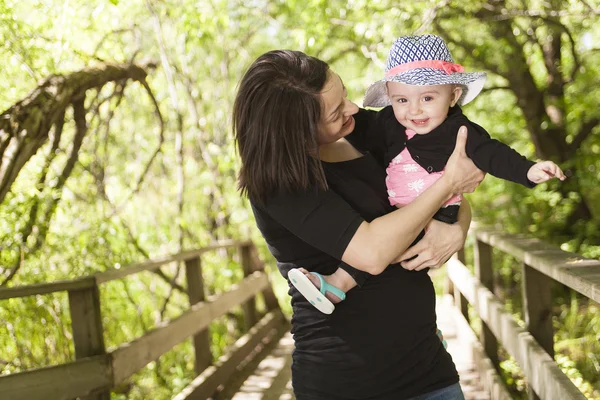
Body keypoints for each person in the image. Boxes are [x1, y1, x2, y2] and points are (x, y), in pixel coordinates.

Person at [234, 49, 484, 399]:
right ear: (298, 132)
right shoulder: (278, 185)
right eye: (336, 112)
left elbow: (446, 189)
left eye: (345, 96)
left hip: (428, 367)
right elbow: (371, 252)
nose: (353, 109)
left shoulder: (363, 129)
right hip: (348, 382)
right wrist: (448, 185)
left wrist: (457, 229)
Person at [290, 34, 566, 315]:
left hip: (438, 213)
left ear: (453, 96)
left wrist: (528, 170)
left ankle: (338, 283)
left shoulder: (458, 131)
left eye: (428, 97)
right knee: (380, 234)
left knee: (392, 244)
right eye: (401, 100)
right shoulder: (387, 123)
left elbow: (492, 153)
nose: (414, 110)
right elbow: (361, 124)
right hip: (399, 209)